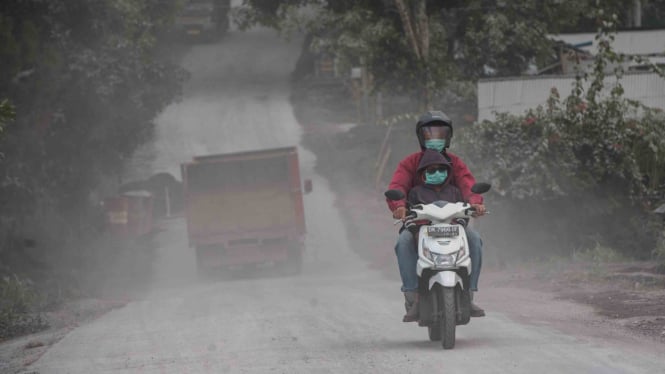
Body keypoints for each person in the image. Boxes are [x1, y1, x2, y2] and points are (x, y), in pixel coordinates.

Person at [387, 110, 486, 322]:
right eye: (429, 134)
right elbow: (397, 187)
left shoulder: (456, 163)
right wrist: (399, 207)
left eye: (440, 134)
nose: (435, 139)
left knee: (475, 240)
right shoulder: (409, 163)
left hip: (453, 224)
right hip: (418, 224)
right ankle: (413, 297)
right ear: (421, 137)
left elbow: (469, 186)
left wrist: (476, 204)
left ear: (448, 137)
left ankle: (469, 295)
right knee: (403, 242)